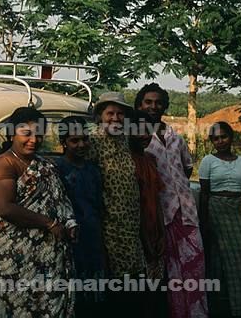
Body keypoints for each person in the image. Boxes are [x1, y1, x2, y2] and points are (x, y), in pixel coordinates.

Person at [0, 107, 78, 318]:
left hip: (50, 252)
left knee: (52, 305)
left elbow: (60, 199)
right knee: (22, 306)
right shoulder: (3, 164)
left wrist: (71, 223)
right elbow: (5, 207)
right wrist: (50, 224)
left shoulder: (45, 164)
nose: (33, 140)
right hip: (18, 253)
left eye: (39, 134)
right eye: (26, 133)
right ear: (12, 133)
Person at [135, 83, 209, 318]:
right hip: (160, 216)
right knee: (168, 272)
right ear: (139, 105)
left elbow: (187, 169)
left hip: (186, 213)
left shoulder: (175, 137)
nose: (153, 106)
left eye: (158, 102)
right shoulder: (136, 139)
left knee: (195, 268)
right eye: (148, 102)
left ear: (164, 106)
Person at [86, 92, 145, 316]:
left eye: (120, 114)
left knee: (133, 286)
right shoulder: (92, 142)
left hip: (130, 226)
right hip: (108, 226)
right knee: (114, 288)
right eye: (110, 113)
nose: (115, 118)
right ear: (100, 116)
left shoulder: (125, 140)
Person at [198, 121, 241, 318]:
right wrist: (204, 223)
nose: (220, 141)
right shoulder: (207, 161)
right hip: (216, 211)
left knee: (240, 260)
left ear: (231, 137)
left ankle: (240, 308)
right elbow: (204, 194)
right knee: (216, 260)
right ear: (211, 141)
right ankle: (217, 307)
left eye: (224, 136)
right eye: (216, 138)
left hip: (237, 212)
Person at [54, 116, 106, 317]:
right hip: (69, 242)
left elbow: (98, 207)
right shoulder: (56, 169)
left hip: (92, 239)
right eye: (74, 141)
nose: (81, 145)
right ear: (63, 143)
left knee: (93, 299)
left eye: (85, 139)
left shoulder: (93, 170)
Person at [128, 110, 167, 318]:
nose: (144, 136)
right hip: (137, 236)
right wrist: (146, 241)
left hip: (154, 232)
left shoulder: (150, 159)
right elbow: (136, 205)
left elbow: (156, 199)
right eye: (139, 131)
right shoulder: (127, 162)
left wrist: (161, 232)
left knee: (154, 290)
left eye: (148, 131)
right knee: (139, 292)